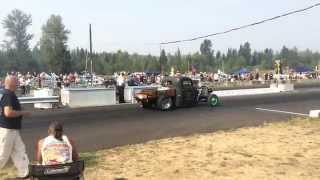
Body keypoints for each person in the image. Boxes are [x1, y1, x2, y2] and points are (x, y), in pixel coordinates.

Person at [0, 75, 31, 179]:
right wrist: (23, 112)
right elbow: (8, 113)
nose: (18, 83)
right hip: (8, 129)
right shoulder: (8, 94)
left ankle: (24, 173)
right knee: (2, 155)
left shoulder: (8, 94)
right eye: (16, 81)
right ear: (11, 83)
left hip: (12, 129)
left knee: (20, 150)